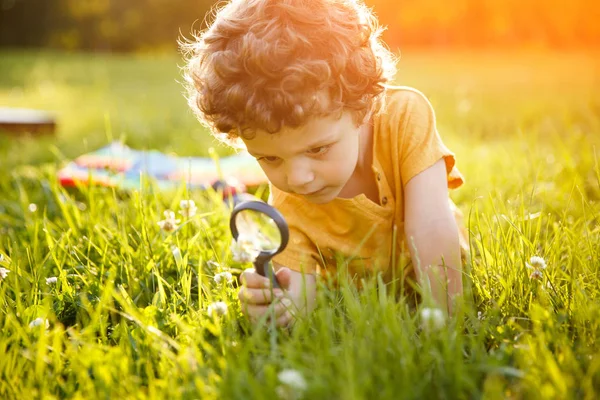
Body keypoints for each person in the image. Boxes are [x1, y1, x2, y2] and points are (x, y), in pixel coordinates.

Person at [181, 0, 468, 327]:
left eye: (318, 149)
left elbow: (430, 225)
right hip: (360, 295)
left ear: (363, 105)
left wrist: (446, 321)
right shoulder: (289, 198)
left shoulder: (404, 117)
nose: (298, 178)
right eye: (270, 158)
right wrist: (280, 308)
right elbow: (302, 291)